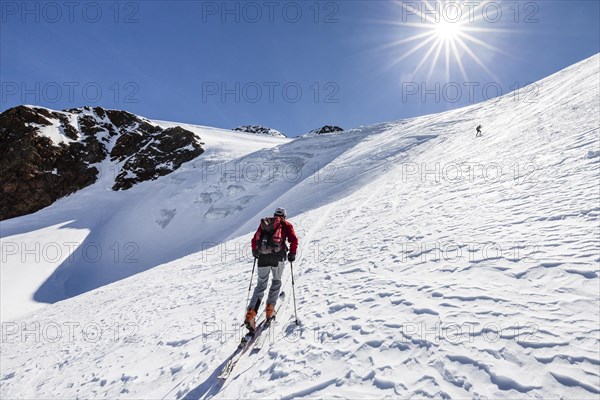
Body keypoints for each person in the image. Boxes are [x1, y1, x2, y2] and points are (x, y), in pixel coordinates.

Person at [245, 207, 298, 332]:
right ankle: (269, 310)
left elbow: (254, 239)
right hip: (278, 259)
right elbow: (294, 240)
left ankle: (251, 314)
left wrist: (255, 251)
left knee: (260, 285)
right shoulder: (286, 225)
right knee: (276, 282)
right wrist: (292, 253)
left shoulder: (265, 224)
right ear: (284, 216)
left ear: (274, 215)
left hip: (262, 258)